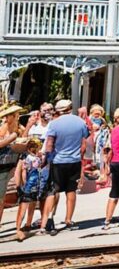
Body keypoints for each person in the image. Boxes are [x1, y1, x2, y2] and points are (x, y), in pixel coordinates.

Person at [40, 99, 89, 234]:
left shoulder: (54, 124)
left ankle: (46, 221)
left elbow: (49, 144)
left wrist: (46, 159)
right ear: (70, 108)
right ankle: (68, 219)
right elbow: (84, 141)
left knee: (53, 190)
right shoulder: (80, 122)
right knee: (71, 190)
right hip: (74, 160)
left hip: (58, 160)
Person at [0, 102, 26, 229]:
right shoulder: (2, 128)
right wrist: (13, 137)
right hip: (1, 164)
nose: (17, 117)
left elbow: (26, 140)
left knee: (1, 197)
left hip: (9, 165)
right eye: (14, 115)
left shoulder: (20, 128)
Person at [13, 137, 44, 241]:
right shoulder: (24, 157)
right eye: (34, 147)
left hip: (37, 184)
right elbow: (20, 171)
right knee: (23, 206)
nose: (36, 149)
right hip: (28, 185)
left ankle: (28, 224)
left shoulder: (38, 156)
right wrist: (19, 186)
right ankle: (18, 228)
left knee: (33, 204)